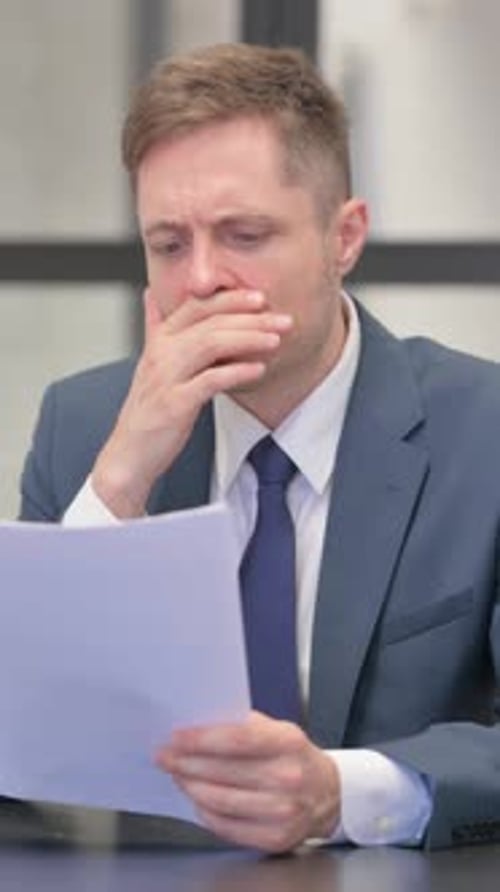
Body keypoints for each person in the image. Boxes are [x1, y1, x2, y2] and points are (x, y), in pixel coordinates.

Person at [20, 43, 500, 853]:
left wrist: (341, 792)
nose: (201, 279)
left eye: (243, 235)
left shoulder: (482, 429)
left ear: (343, 238)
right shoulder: (85, 424)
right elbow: (24, 739)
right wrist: (121, 480)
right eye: (169, 245)